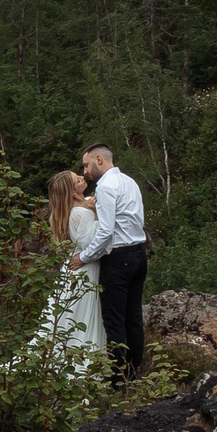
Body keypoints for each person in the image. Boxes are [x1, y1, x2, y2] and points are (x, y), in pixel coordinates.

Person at [72, 142, 149, 380]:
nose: (85, 171)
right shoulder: (129, 182)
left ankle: (117, 380)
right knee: (134, 317)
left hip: (118, 258)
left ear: (99, 159)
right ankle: (134, 374)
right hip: (139, 253)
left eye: (86, 165)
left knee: (114, 321)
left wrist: (83, 257)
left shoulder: (106, 187)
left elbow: (106, 232)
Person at [35, 169, 107, 354]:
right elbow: (89, 242)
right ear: (71, 191)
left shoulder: (75, 210)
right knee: (83, 313)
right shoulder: (81, 213)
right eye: (77, 180)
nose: (82, 178)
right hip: (86, 266)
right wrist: (99, 214)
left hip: (75, 266)